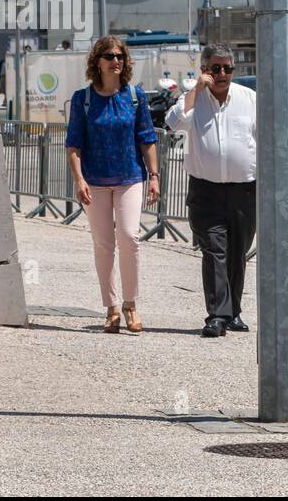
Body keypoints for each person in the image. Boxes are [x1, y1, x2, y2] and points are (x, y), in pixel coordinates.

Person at [65, 36, 161, 333]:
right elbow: (73, 145)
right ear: (97, 61)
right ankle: (111, 308)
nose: (115, 60)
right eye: (109, 56)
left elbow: (147, 137)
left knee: (130, 238)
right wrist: (79, 179)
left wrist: (155, 176)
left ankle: (131, 304)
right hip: (94, 181)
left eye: (120, 56)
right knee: (103, 244)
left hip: (130, 177)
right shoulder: (83, 99)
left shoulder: (135, 96)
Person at [166, 44, 257, 338]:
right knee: (215, 250)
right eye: (215, 68)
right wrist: (195, 88)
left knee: (237, 253)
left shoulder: (249, 99)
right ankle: (217, 314)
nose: (221, 74)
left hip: (244, 189)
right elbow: (174, 122)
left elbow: (264, 139)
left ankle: (233, 312)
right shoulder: (193, 101)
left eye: (227, 68)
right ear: (205, 69)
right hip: (206, 190)